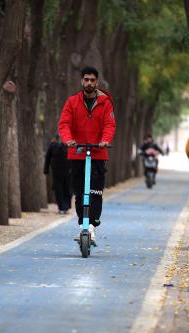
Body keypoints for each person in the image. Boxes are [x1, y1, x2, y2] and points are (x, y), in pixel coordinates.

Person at [58, 66, 116, 245]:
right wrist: (68, 140)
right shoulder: (72, 102)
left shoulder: (105, 102)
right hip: (77, 154)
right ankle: (82, 224)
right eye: (86, 80)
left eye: (92, 80)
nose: (89, 83)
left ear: (96, 82)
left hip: (98, 154)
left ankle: (92, 226)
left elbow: (109, 124)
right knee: (79, 192)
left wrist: (105, 140)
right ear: (81, 81)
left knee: (95, 192)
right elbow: (64, 123)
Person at [44, 135, 72, 214]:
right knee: (58, 189)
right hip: (57, 172)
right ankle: (61, 207)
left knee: (68, 188)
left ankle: (66, 206)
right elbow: (48, 157)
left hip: (68, 171)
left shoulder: (70, 145)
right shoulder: (53, 146)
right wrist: (46, 170)